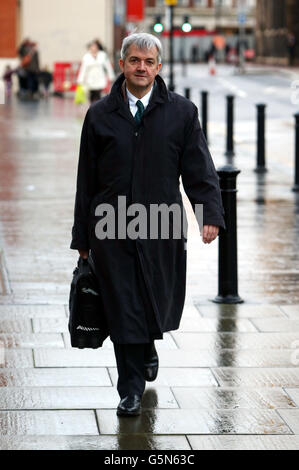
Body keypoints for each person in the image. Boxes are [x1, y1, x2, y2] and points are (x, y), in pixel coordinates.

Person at [70, 33, 225, 417]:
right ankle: (130, 389)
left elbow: (198, 168)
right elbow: (85, 180)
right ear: (121, 64)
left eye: (148, 62)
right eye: (134, 60)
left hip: (161, 225)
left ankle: (148, 343)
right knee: (122, 305)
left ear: (159, 67)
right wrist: (81, 238)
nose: (141, 67)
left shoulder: (182, 113)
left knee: (156, 297)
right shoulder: (100, 116)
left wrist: (209, 214)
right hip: (111, 226)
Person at [77, 39, 115, 103]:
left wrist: (111, 76)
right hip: (90, 79)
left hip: (100, 78)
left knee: (98, 94)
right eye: (92, 47)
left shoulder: (102, 55)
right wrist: (80, 79)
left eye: (95, 47)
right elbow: (83, 69)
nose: (93, 48)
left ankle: (98, 108)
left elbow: (108, 66)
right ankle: (92, 107)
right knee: (92, 94)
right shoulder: (86, 57)